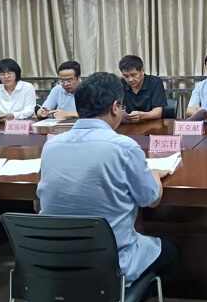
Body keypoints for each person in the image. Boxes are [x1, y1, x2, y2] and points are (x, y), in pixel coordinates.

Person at [37, 72, 177, 287]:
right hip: (110, 265)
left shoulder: (51, 146)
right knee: (170, 251)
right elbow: (151, 199)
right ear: (115, 107)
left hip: (55, 260)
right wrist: (155, 174)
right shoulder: (123, 147)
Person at [119, 55, 167, 122]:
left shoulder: (155, 82)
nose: (130, 80)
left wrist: (142, 116)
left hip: (152, 124)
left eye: (133, 75)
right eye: (126, 76)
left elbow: (158, 113)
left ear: (142, 71)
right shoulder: (120, 84)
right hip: (129, 124)